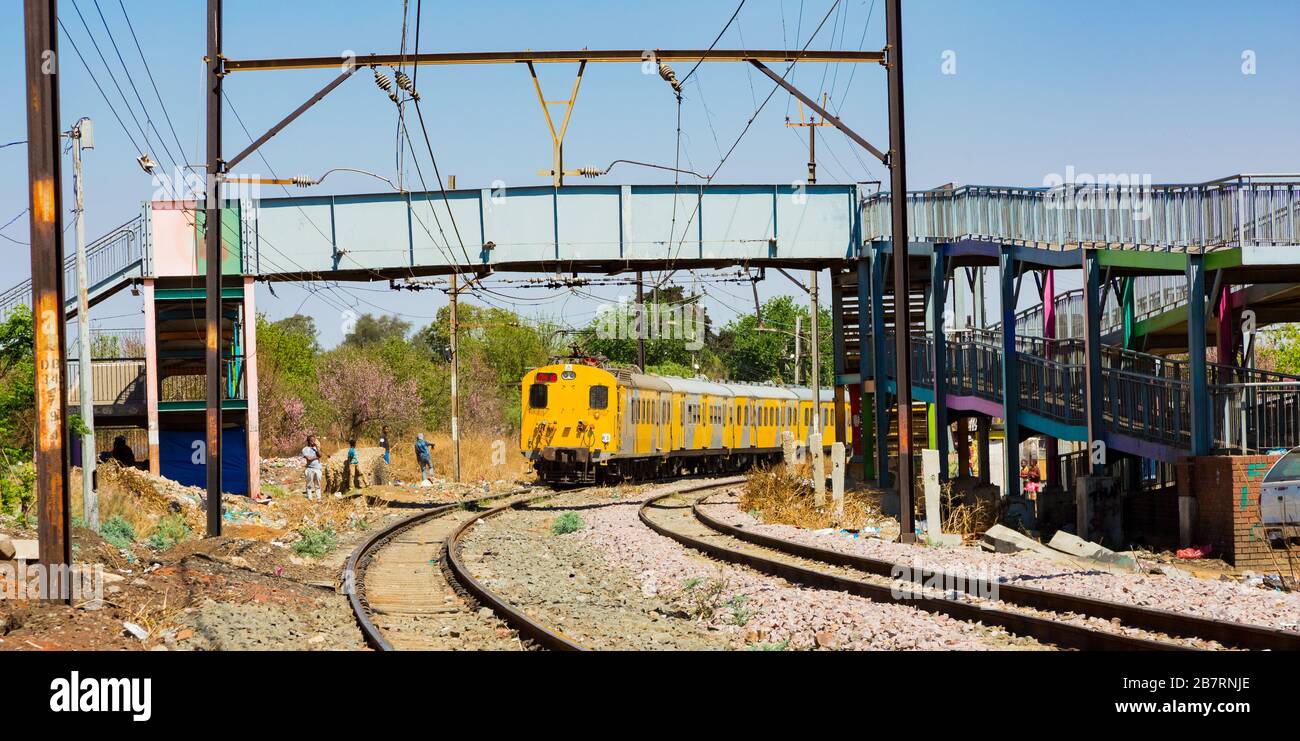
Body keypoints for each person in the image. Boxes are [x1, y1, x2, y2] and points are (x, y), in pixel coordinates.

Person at [302, 435, 323, 500]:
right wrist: (317, 457)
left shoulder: (316, 448)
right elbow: (309, 458)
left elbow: (320, 455)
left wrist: (317, 447)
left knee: (318, 485)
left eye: (314, 440)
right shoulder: (305, 449)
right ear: (308, 441)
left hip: (317, 468)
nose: (313, 441)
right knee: (309, 485)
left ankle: (319, 498)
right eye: (312, 440)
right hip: (309, 469)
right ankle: (310, 498)